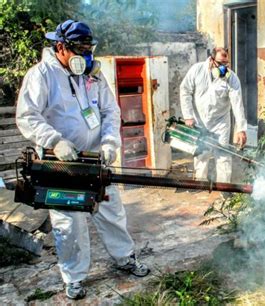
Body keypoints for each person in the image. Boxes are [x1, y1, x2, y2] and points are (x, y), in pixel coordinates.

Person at [15, 20, 149, 300]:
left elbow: (111, 112)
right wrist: (54, 141)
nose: (86, 57)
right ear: (61, 47)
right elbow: (27, 116)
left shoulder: (94, 77)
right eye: (81, 50)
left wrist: (111, 142)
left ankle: (124, 257)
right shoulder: (41, 75)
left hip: (97, 160)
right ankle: (74, 278)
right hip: (62, 164)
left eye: (90, 49)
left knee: (112, 213)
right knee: (69, 224)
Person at [180, 47, 247, 183]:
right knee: (201, 154)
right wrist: (188, 116)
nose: (224, 68)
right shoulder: (197, 70)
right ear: (211, 60)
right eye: (221, 64)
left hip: (220, 122)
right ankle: (200, 184)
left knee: (223, 155)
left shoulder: (231, 79)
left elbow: (237, 104)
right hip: (199, 120)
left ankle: (224, 188)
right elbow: (185, 90)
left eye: (226, 64)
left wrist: (241, 129)